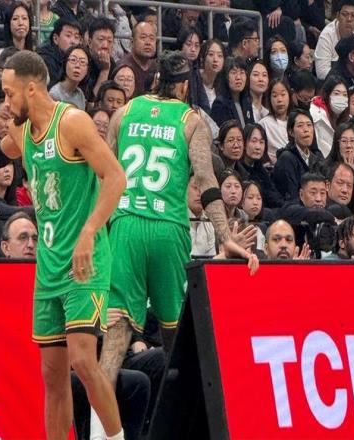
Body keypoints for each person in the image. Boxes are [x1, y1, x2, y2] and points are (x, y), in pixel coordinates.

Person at [0, 50, 126, 440]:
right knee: (52, 375)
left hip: (84, 262)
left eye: (9, 94)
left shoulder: (71, 123)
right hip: (49, 264)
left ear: (30, 89)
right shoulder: (22, 132)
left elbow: (115, 178)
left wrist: (90, 231)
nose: (6, 102)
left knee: (83, 361)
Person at [94, 49, 254, 440]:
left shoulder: (123, 113)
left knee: (113, 345)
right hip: (168, 229)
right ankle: (180, 430)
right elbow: (207, 181)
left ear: (155, 80)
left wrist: (95, 233)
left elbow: (103, 176)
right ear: (183, 86)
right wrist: (225, 238)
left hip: (125, 226)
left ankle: (100, 435)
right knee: (178, 345)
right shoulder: (190, 120)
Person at [314, 0, 354, 81]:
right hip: (333, 84)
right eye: (345, 14)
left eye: (353, 15)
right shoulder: (327, 34)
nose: (349, 19)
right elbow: (322, 72)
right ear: (337, 16)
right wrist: (344, 84)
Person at [271, 109, 322, 202]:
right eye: (300, 126)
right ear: (291, 132)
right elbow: (291, 196)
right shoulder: (286, 158)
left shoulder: (317, 157)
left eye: (309, 125)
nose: (306, 130)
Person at [37, 17, 82, 89]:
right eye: (68, 35)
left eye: (76, 37)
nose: (73, 41)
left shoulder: (79, 57)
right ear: (55, 39)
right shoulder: (45, 58)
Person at [310, 76, 349, 158]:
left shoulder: (348, 119)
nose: (341, 98)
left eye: (345, 95)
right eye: (336, 94)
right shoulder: (315, 115)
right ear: (327, 95)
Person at [211, 56, 254, 129]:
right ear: (226, 77)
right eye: (234, 73)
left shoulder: (247, 103)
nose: (238, 77)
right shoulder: (220, 104)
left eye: (242, 73)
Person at [118, 21, 157, 98]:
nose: (148, 43)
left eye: (152, 38)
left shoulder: (157, 67)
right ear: (132, 42)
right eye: (143, 37)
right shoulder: (124, 68)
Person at [259, 78, 292, 163]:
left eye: (283, 94)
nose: (279, 100)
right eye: (275, 96)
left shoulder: (295, 122)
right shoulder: (264, 124)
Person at [50, 44, 89, 110]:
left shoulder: (80, 94)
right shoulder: (55, 94)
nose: (77, 65)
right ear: (65, 64)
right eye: (73, 60)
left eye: (82, 62)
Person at [198, 38, 225, 112]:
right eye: (211, 54)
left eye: (220, 55)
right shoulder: (195, 82)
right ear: (202, 58)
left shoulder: (222, 86)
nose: (215, 59)